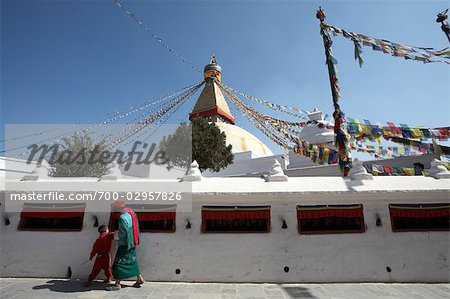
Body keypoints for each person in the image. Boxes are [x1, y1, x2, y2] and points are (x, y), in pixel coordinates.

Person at [107, 201, 145, 291]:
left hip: (125, 242)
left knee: (118, 263)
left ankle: (117, 284)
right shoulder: (131, 213)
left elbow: (123, 232)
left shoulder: (122, 217)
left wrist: (116, 235)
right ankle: (140, 278)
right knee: (132, 260)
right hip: (132, 241)